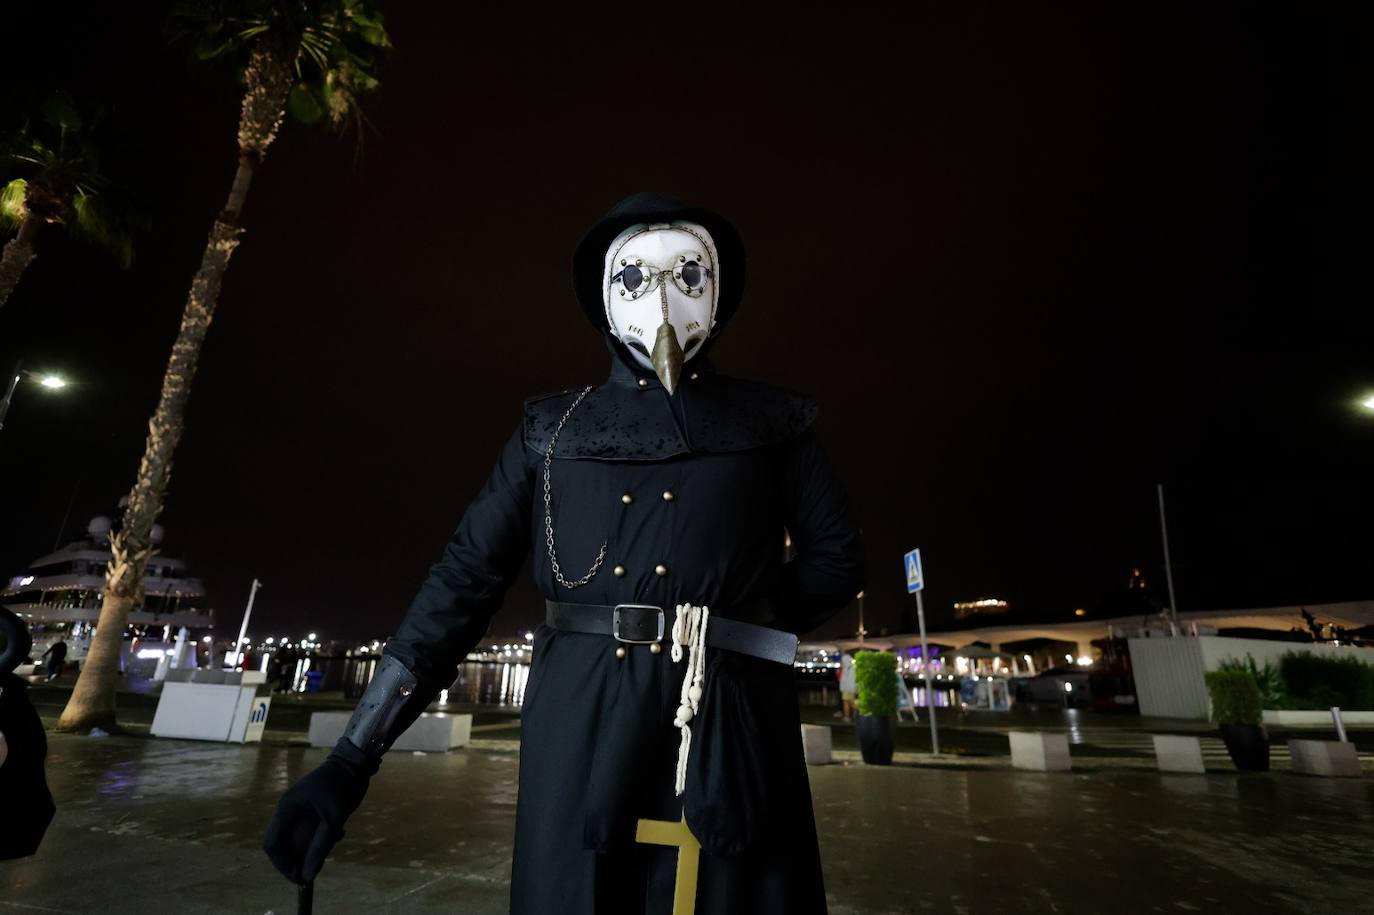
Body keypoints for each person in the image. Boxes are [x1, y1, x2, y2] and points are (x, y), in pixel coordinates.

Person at [263, 193, 866, 914]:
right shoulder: (551, 430)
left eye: (688, 273)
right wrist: (351, 759)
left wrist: (727, 635)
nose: (664, 298)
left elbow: (838, 559)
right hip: (593, 716)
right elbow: (462, 582)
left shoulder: (773, 423)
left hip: (719, 721)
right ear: (604, 297)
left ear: (718, 287)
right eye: (636, 276)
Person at [839, 650, 857, 720]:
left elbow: (846, 680)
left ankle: (847, 717)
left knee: (847, 702)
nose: (841, 663)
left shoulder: (848, 669)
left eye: (842, 661)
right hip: (851, 688)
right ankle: (855, 715)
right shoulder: (852, 667)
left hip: (848, 688)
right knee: (851, 701)